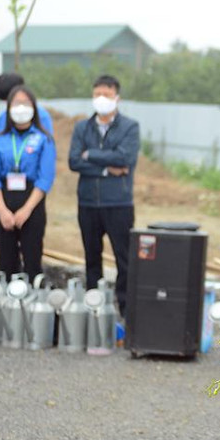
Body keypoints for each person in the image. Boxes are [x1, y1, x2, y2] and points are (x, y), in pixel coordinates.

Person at [68, 75, 139, 314]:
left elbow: (124, 158)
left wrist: (91, 154)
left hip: (118, 203)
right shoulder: (82, 127)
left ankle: (125, 308)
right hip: (88, 203)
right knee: (92, 258)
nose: (101, 99)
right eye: (97, 94)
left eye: (106, 95)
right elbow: (74, 161)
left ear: (117, 98)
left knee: (124, 258)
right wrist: (107, 170)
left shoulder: (129, 127)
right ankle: (93, 306)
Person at [0, 84, 55, 280]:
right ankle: (8, 297)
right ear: (8, 108)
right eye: (17, 103)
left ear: (34, 107)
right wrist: (2, 210)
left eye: (26, 103)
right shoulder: (0, 139)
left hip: (32, 200)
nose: (21, 108)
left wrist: (26, 210)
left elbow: (45, 178)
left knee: (32, 259)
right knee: (7, 261)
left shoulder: (43, 139)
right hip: (5, 200)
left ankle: (33, 295)